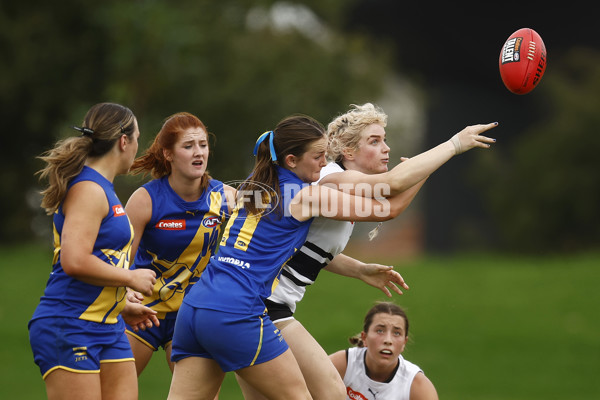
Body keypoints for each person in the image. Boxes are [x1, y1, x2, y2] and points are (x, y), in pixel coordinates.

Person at [238, 103, 498, 400]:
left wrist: (359, 270)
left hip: (259, 305)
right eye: (374, 141)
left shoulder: (338, 188)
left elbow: (310, 254)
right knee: (333, 393)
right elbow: (393, 199)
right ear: (348, 151)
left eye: (384, 139)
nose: (386, 148)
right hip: (266, 308)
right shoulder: (332, 178)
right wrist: (451, 146)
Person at [167, 113, 421, 400]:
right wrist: (452, 146)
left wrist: (359, 269)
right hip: (239, 311)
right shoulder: (306, 194)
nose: (323, 163)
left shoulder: (255, 186)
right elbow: (388, 206)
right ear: (291, 160)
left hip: (195, 307)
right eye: (317, 157)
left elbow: (294, 246)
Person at [28, 102, 158, 400]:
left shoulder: (104, 188)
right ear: (124, 141)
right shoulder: (88, 189)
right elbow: (74, 260)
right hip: (69, 324)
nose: (138, 146)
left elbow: (98, 257)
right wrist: (129, 278)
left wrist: (120, 305)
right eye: (137, 138)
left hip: (108, 326)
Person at [122, 112, 234, 379]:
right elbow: (119, 258)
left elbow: (255, 247)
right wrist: (124, 291)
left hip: (192, 314)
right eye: (188, 146)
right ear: (168, 154)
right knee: (113, 393)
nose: (199, 153)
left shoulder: (226, 197)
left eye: (203, 145)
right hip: (142, 309)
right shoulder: (145, 199)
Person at [329, 302, 439, 400]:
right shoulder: (342, 365)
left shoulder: (417, 386)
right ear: (364, 337)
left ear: (404, 343)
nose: (388, 340)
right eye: (380, 331)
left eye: (396, 333)